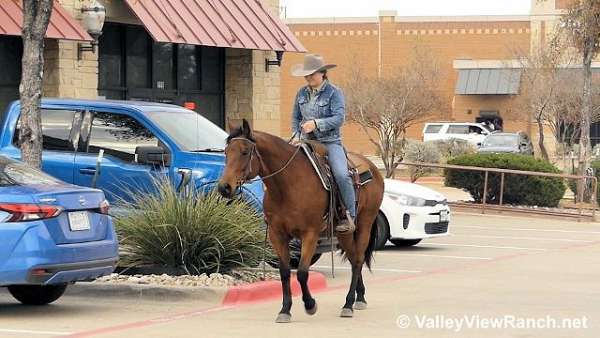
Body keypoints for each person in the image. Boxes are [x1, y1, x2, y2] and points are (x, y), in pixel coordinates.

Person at [290, 54, 356, 233]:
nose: (308, 77)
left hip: (330, 143)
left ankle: (349, 215)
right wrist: (295, 135)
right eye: (306, 74)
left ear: (322, 73)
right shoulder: (301, 93)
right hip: (306, 141)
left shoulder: (335, 93)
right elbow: (295, 117)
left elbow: (339, 119)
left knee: (341, 175)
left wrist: (317, 123)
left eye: (312, 74)